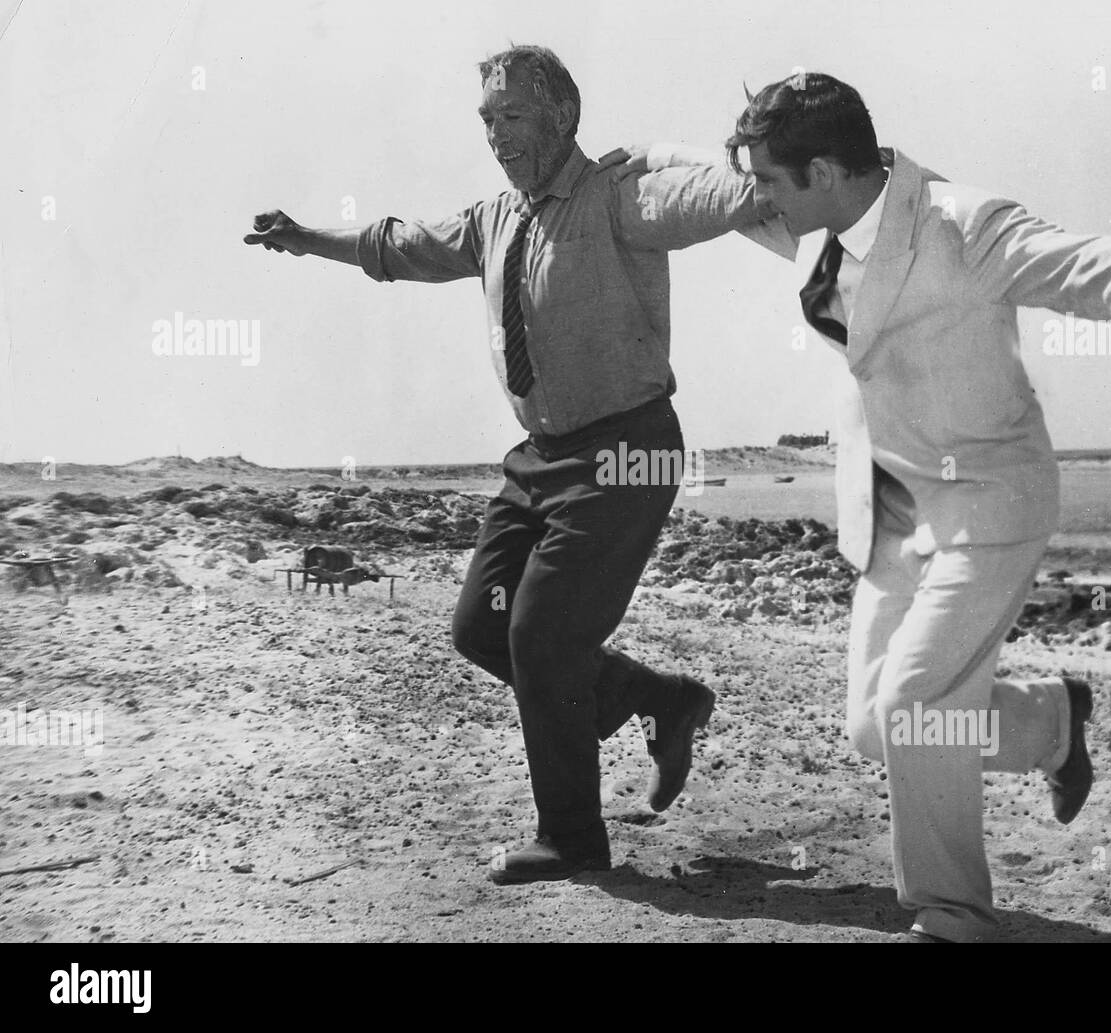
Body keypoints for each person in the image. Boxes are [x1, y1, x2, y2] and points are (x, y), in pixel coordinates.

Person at [620, 72, 1111, 941]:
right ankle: (1052, 721)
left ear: (825, 171)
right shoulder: (807, 218)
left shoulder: (962, 223)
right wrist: (640, 155)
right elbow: (706, 170)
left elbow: (1085, 265)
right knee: (879, 726)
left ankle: (951, 913)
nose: (754, 200)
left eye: (769, 182)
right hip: (893, 509)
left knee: (912, 706)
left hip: (988, 498)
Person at [242, 45, 793, 884]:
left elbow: (714, 198)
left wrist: (786, 176)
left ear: (562, 117)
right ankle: (658, 699)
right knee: (482, 628)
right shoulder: (495, 218)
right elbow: (404, 245)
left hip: (625, 450)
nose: (498, 136)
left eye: (514, 118)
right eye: (488, 121)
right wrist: (307, 237)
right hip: (538, 458)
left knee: (543, 633)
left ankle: (572, 837)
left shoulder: (622, 197)